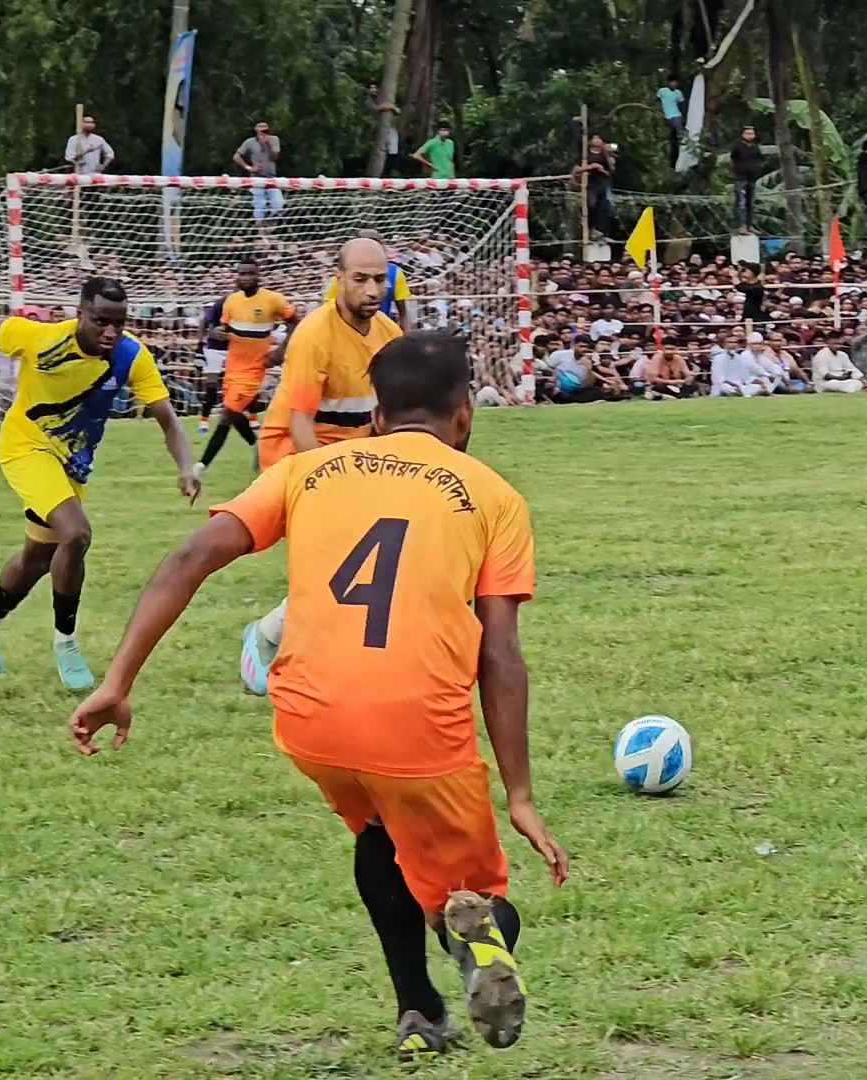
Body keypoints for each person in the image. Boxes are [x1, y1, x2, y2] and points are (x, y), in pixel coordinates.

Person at [67, 332, 567, 1063]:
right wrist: (519, 793)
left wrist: (116, 683)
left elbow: (191, 556)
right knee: (473, 897)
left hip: (310, 719)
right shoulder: (494, 497)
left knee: (380, 832)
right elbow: (500, 654)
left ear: (375, 417)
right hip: (416, 728)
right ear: (465, 415)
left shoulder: (308, 469)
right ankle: (478, 943)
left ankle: (418, 1012)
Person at [0, 277, 201, 689]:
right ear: (80, 314)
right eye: (101, 321)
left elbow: (167, 418)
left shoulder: (131, 356)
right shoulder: (43, 339)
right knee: (76, 534)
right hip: (25, 447)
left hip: (71, 462)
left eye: (119, 323)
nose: (111, 332)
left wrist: (185, 466)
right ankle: (66, 642)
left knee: (38, 558)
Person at [240, 238, 404, 695]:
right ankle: (267, 637)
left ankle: (289, 638)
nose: (372, 289)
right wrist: (326, 488)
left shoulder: (390, 335)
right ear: (339, 279)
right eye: (360, 279)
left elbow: (390, 416)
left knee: (377, 549)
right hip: (295, 453)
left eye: (379, 280)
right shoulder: (314, 334)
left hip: (355, 458)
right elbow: (300, 422)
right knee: (340, 552)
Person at [197, 259, 298, 477]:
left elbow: (295, 322)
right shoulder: (231, 301)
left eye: (251, 273)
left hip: (255, 367)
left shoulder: (273, 300)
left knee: (228, 413)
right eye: (242, 273)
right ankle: (257, 445)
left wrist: (281, 351)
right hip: (233, 365)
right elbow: (221, 328)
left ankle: (200, 466)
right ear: (237, 276)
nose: (246, 278)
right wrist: (215, 333)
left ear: (258, 275)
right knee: (232, 413)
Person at [233, 121, 284, 222]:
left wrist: (267, 144)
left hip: (271, 177)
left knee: (278, 203)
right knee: (260, 204)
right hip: (256, 177)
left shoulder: (274, 139)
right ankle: (259, 226)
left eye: (266, 131)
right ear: (256, 131)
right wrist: (249, 168)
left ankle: (270, 222)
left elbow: (275, 158)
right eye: (262, 131)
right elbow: (236, 156)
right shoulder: (249, 142)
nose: (264, 133)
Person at [730, 126, 764, 234]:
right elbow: (732, 159)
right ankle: (741, 225)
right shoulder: (737, 147)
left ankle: (750, 225)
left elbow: (759, 159)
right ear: (743, 135)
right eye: (748, 133)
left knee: (751, 203)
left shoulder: (755, 148)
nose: (750, 136)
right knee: (741, 202)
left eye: (752, 133)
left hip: (752, 178)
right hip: (740, 178)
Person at [657, 76, 685, 162]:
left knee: (680, 135)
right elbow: (657, 101)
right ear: (668, 83)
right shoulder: (662, 91)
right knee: (667, 136)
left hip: (676, 116)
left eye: (675, 83)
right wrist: (659, 111)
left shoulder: (678, 92)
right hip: (666, 116)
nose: (674, 84)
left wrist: (683, 116)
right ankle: (666, 156)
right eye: (672, 82)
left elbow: (682, 104)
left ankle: (682, 153)